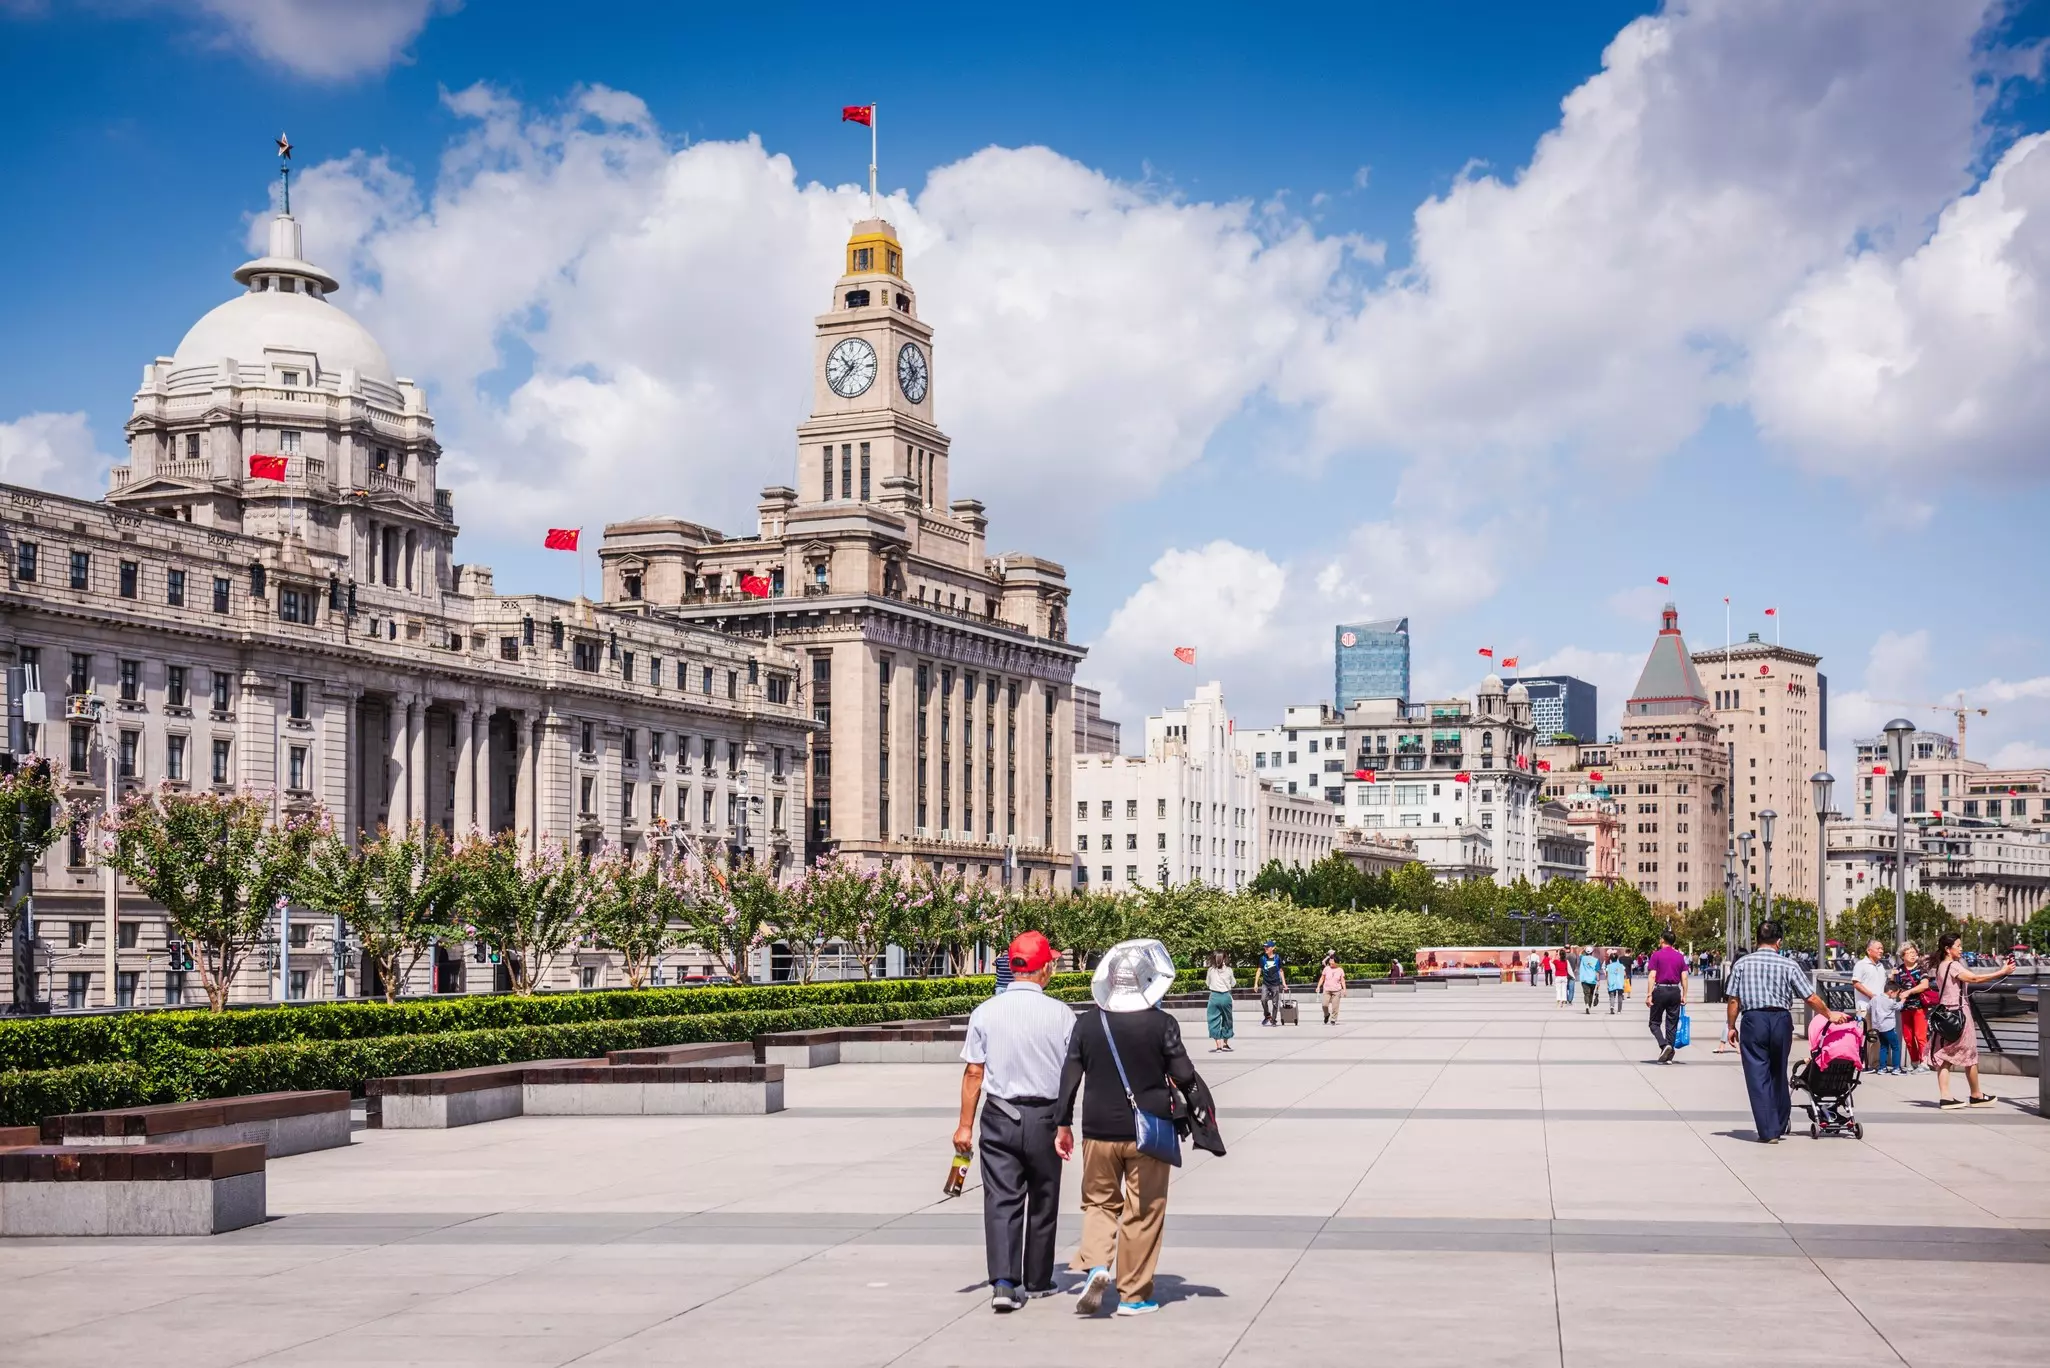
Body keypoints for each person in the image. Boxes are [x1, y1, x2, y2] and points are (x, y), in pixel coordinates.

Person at [1057, 939, 1199, 1318]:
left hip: (1098, 1131)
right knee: (1144, 1209)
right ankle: (1134, 1295)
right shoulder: (1161, 1023)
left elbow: (1069, 1077)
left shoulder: (1087, 1022)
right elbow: (1184, 1074)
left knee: (1099, 1203)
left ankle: (1099, 1264)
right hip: (1149, 1131)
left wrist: (1062, 1124)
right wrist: (1199, 1109)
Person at [955, 930, 1076, 1312]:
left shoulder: (985, 1011)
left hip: (999, 1116)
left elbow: (974, 1072)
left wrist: (964, 1126)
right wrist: (1066, 1122)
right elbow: (1072, 1074)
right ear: (1043, 970)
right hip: (1045, 1116)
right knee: (1044, 1196)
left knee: (1002, 1199)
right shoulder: (1061, 1014)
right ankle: (1039, 1280)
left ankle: (1005, 1285)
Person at [1722, 920, 1848, 1143]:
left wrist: (1731, 1027)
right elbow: (1810, 996)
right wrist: (1829, 1015)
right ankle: (1780, 1122)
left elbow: (1734, 1000)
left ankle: (1768, 1130)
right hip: (1780, 1020)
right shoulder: (1788, 965)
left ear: (1756, 939)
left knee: (1757, 1075)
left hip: (1754, 1020)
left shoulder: (1742, 964)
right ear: (1778, 942)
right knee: (1778, 1071)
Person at [1928, 931, 2014, 1109]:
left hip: (1945, 1014)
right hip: (1959, 1014)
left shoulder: (1940, 966)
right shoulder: (1953, 966)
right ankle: (1976, 1095)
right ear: (1947, 948)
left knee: (1945, 1055)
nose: (1961, 949)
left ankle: (1946, 1097)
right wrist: (2002, 972)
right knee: (1970, 1055)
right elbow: (1975, 978)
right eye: (1958, 946)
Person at [1646, 930, 1688, 1063]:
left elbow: (1652, 975)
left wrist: (1649, 994)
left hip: (1660, 990)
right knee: (1672, 1024)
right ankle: (1669, 1056)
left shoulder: (1656, 955)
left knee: (1654, 1023)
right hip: (1675, 991)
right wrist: (1684, 995)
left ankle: (1664, 1045)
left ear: (1662, 940)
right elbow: (1684, 977)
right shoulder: (1680, 957)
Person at [1892, 943, 1932, 1073]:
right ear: (1902, 955)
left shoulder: (1921, 969)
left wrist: (1909, 992)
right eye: (1909, 953)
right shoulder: (1899, 970)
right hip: (1905, 1007)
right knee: (1908, 1037)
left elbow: (1924, 985)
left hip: (1919, 1007)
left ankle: (1924, 1062)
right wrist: (1891, 977)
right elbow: (1894, 988)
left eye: (1914, 952)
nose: (1913, 955)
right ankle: (1914, 1062)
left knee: (1920, 1036)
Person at [1868, 984, 1904, 1074]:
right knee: (1895, 1047)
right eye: (1896, 994)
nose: (1896, 996)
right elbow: (1899, 1007)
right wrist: (1903, 999)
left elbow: (1868, 1008)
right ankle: (1896, 1068)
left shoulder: (1874, 999)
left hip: (1878, 1028)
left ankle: (1882, 1068)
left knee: (1883, 1047)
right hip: (1889, 1027)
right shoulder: (1890, 1001)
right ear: (1891, 992)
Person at [1204, 952, 1236, 1053]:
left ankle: (1218, 1045)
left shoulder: (1211, 970)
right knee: (1227, 1019)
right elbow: (1233, 983)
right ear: (1225, 959)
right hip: (1226, 996)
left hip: (1214, 996)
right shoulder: (1229, 970)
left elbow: (1207, 983)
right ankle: (1226, 1043)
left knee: (1213, 1019)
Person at [1851, 940, 1888, 1022]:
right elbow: (1856, 983)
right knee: (1865, 1032)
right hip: (1865, 1007)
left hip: (1880, 1008)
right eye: (1878, 949)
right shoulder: (1861, 964)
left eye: (1882, 949)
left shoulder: (1881, 966)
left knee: (1878, 1033)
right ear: (1869, 951)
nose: (1881, 951)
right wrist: (1871, 995)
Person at [1256, 940, 1287, 1027]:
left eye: (1268, 947)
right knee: (1263, 1000)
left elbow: (1280, 970)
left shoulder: (1277, 958)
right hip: (1266, 983)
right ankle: (1267, 1015)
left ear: (1273, 948)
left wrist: (1284, 982)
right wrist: (1256, 983)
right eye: (1265, 947)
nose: (1266, 949)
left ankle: (1273, 1019)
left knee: (1275, 1003)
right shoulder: (1262, 958)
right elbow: (1259, 970)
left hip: (1275, 983)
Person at [1316, 953, 1347, 1025]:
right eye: (1330, 960)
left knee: (1335, 1006)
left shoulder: (1340, 970)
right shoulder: (1326, 968)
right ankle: (1326, 1015)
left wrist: (1344, 989)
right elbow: (1322, 978)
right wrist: (1318, 986)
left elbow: (1342, 980)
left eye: (1332, 960)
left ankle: (1333, 1019)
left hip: (1337, 991)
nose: (1331, 962)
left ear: (1336, 962)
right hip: (1327, 990)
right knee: (1324, 1005)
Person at [1578, 946, 1601, 1013]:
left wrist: (1583, 949)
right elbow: (1597, 971)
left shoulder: (1583, 958)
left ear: (1585, 952)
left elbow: (1579, 954)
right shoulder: (1596, 960)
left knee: (1586, 993)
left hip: (1584, 979)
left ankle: (1587, 1005)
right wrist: (1598, 980)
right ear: (1592, 952)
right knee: (1591, 993)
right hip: (1592, 980)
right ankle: (1589, 1007)